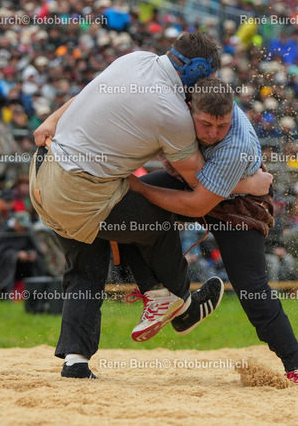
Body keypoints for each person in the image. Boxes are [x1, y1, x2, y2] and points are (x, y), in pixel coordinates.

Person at [31, 32, 269, 379]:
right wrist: (251, 184)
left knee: (87, 266)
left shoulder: (135, 59)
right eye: (206, 79)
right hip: (80, 193)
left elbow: (88, 94)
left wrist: (52, 118)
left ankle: (76, 361)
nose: (205, 88)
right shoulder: (172, 113)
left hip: (43, 175)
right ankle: (180, 303)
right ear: (195, 71)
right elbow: (200, 184)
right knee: (156, 214)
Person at [129, 77, 298, 387]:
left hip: (239, 204)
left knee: (252, 287)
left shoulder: (236, 144)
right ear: (189, 108)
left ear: (232, 113)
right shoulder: (173, 109)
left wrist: (142, 187)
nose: (213, 133)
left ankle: (297, 366)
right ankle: (166, 298)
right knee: (124, 209)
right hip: (198, 182)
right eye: (205, 125)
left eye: (222, 125)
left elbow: (198, 202)